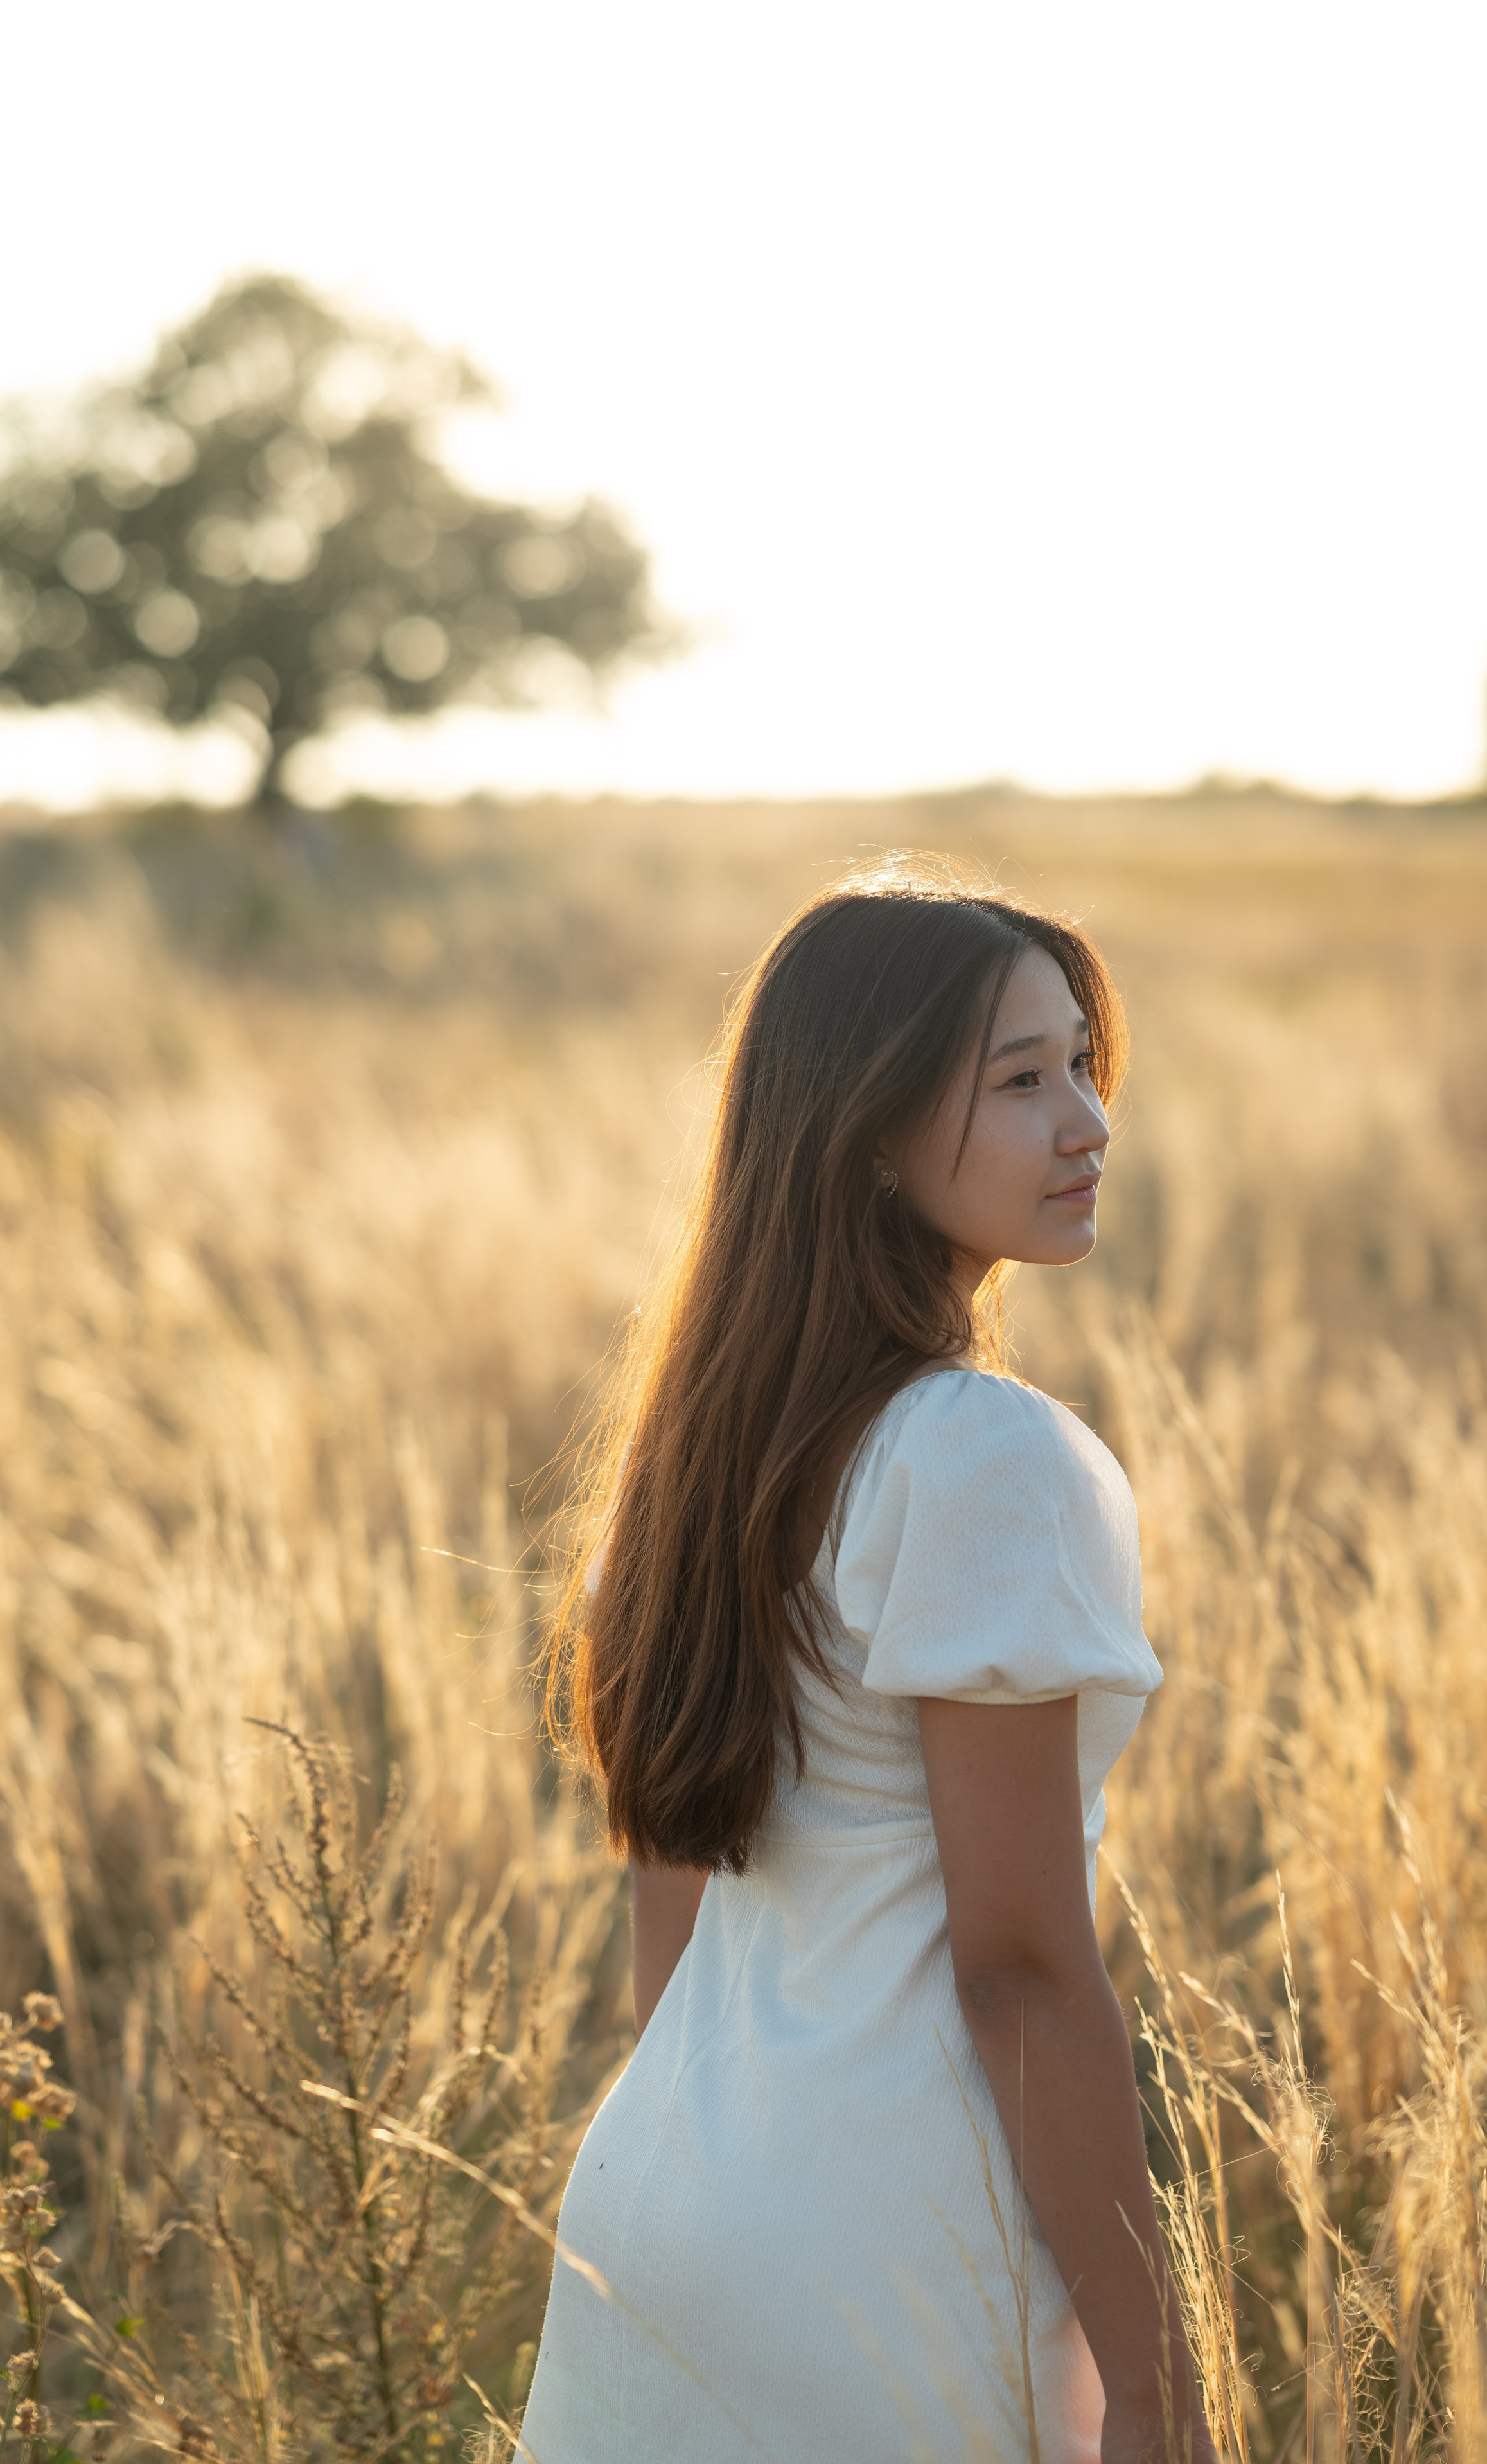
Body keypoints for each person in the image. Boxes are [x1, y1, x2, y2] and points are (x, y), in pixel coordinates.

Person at [518, 871, 1215, 2464]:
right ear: (870, 1131)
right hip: (894, 2251)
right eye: (1022, 1080)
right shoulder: (981, 1458)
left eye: (1085, 1065)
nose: (1087, 1122)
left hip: (661, 2212)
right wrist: (1162, 2382)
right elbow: (1020, 1967)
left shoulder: (696, 1460)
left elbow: (672, 1898)